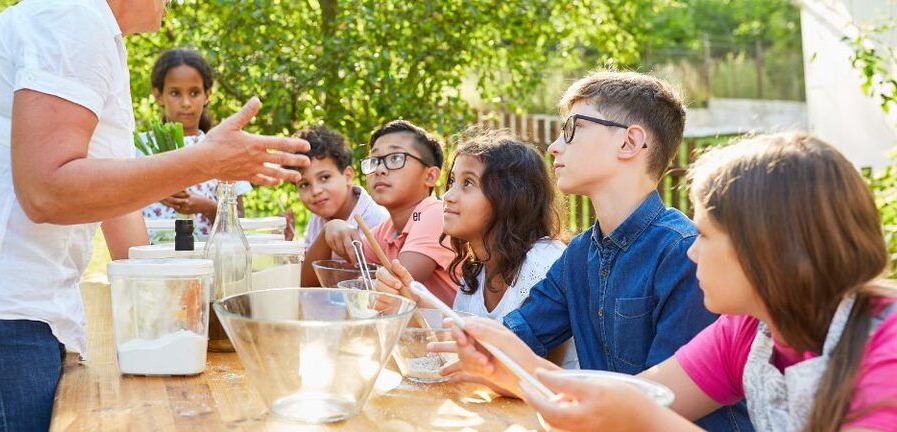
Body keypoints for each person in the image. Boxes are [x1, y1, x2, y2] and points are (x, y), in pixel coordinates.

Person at [0, 1, 309, 430]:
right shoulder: (73, 18)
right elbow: (44, 191)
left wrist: (176, 314)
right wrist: (205, 162)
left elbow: (118, 208)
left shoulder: (91, 31)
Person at [456, 133, 897, 432]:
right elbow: (635, 402)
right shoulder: (747, 331)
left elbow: (645, 412)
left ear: (767, 247)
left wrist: (646, 418)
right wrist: (518, 370)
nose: (691, 248)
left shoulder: (887, 345)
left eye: (705, 234)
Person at [433, 71, 750, 430]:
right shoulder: (578, 255)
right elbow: (517, 336)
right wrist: (471, 341)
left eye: (572, 129)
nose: (554, 146)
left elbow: (662, 406)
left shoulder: (683, 253)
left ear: (630, 143)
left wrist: (515, 364)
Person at [374, 130, 577, 369]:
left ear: (509, 198)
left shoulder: (543, 263)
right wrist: (413, 299)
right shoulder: (476, 273)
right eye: (452, 182)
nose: (448, 196)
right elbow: (464, 345)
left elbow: (535, 367)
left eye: (467, 183)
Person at [301, 120, 458, 305]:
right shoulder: (386, 231)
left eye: (396, 159)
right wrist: (327, 230)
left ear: (430, 176)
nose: (380, 170)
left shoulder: (432, 213)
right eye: (374, 161)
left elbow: (392, 289)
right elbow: (307, 285)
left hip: (456, 332)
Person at [139, 48, 252, 238]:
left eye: (194, 93)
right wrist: (154, 192)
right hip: (153, 261)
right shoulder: (140, 148)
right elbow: (118, 204)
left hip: (207, 262)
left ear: (207, 95)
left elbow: (239, 217)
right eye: (175, 93)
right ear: (159, 95)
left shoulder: (223, 148)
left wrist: (206, 207)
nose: (186, 103)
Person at [290, 124, 388, 250]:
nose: (315, 191)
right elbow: (308, 265)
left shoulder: (377, 221)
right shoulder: (319, 215)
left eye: (324, 178)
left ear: (348, 176)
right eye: (304, 184)